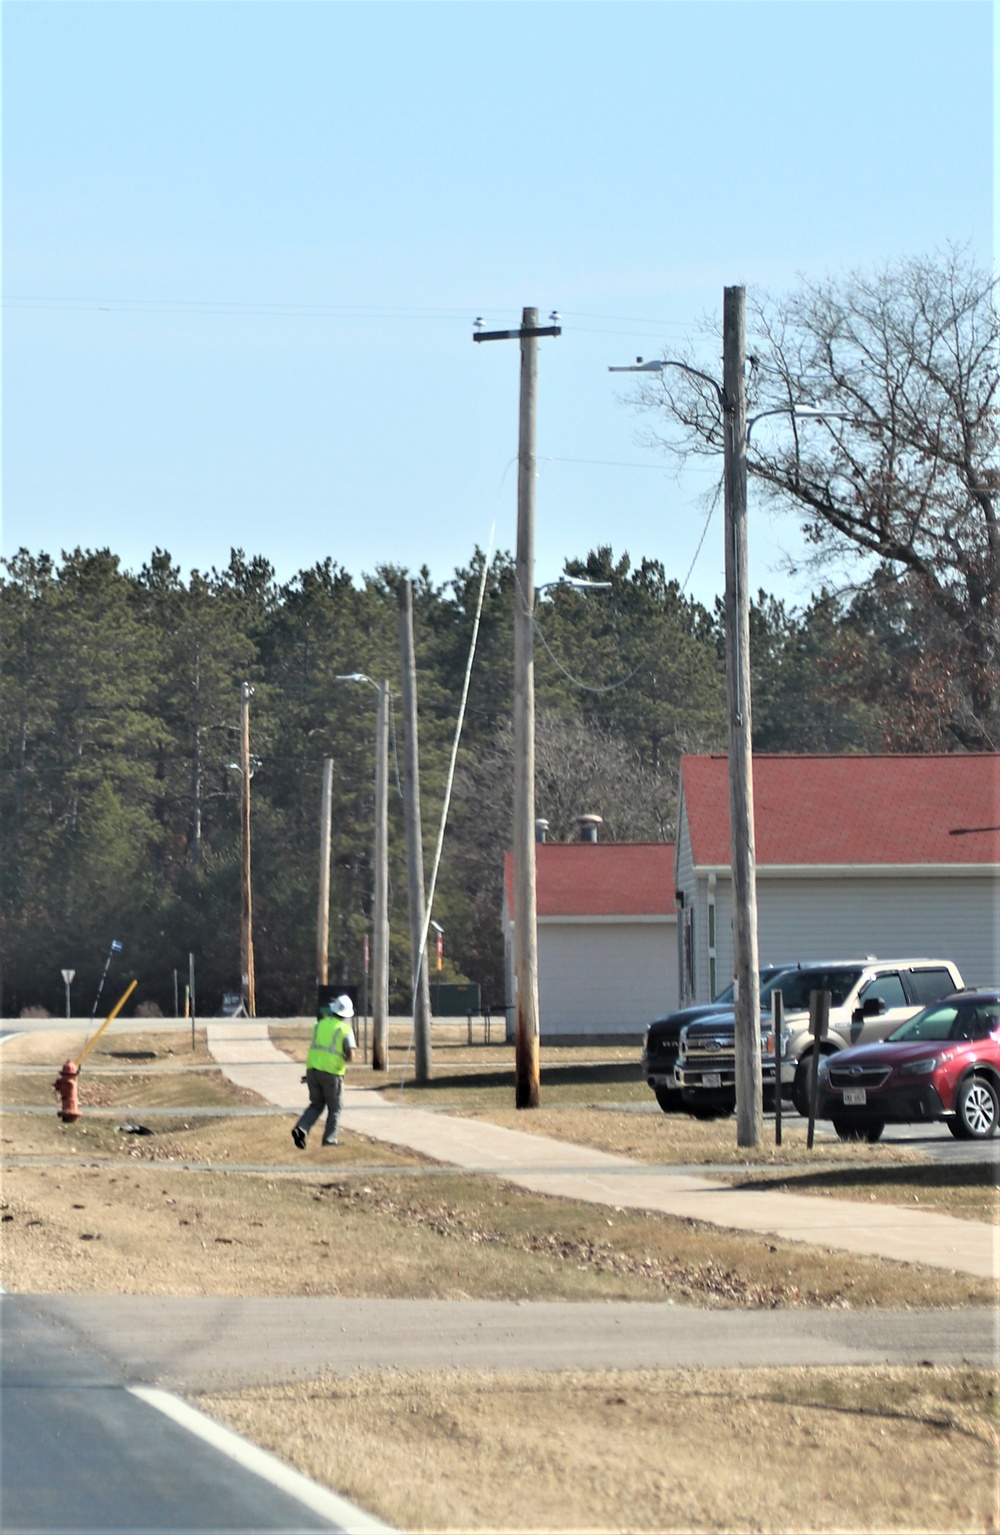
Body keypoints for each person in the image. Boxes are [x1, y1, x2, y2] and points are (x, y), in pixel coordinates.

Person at [292, 994, 356, 1149]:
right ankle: (330, 1139)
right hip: (332, 1073)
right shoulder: (345, 1029)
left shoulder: (319, 1025)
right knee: (335, 1108)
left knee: (316, 1104)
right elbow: (351, 1055)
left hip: (313, 1070)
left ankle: (301, 1128)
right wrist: (342, 1061)